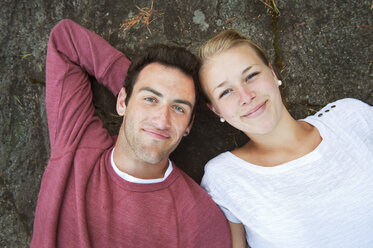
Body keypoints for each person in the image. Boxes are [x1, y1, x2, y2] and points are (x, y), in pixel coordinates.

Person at [30, 19, 232, 247]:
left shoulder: (200, 219)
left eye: (178, 108)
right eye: (150, 99)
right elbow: (66, 40)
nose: (161, 120)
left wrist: (142, 96)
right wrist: (132, 86)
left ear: (189, 125)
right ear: (122, 101)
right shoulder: (77, 144)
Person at [199, 30, 373, 248]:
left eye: (251, 76)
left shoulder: (351, 117)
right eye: (226, 92)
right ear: (216, 110)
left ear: (272, 73)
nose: (246, 96)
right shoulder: (223, 177)